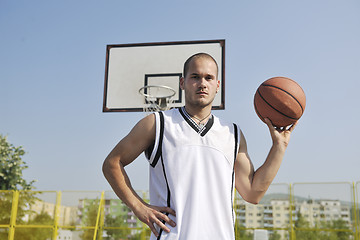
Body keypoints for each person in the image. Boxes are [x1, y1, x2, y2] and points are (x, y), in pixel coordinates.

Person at [102, 53, 297, 239]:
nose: (202, 83)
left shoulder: (232, 133)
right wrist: (139, 206)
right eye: (195, 77)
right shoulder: (158, 124)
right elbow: (112, 163)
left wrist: (279, 147)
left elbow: (253, 193)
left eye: (209, 78)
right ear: (182, 83)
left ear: (217, 85)